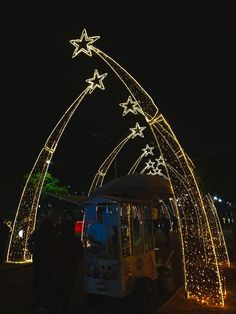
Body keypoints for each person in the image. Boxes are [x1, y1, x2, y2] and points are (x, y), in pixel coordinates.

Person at [27, 205, 61, 311]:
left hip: (39, 257)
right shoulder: (50, 228)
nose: (57, 219)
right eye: (56, 217)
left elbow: (31, 240)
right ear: (53, 217)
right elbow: (50, 244)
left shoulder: (43, 226)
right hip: (45, 258)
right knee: (44, 280)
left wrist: (33, 250)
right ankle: (42, 303)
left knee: (39, 279)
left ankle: (39, 301)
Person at [48, 217, 84, 314]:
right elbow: (79, 255)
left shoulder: (57, 239)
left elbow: (51, 252)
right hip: (69, 269)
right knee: (65, 293)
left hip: (57, 269)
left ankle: (54, 310)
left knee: (55, 292)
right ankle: (63, 310)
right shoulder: (75, 240)